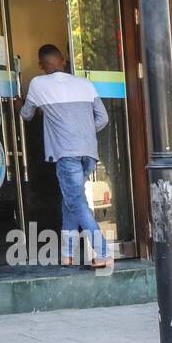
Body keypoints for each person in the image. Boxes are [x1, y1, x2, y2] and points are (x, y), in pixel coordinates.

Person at [19, 44, 111, 269]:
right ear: (63, 61)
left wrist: (18, 105)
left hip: (66, 154)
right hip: (88, 152)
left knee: (77, 202)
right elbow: (103, 118)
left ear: (41, 65)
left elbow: (26, 114)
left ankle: (103, 252)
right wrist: (84, 133)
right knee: (70, 202)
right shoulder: (85, 83)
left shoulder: (38, 84)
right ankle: (67, 254)